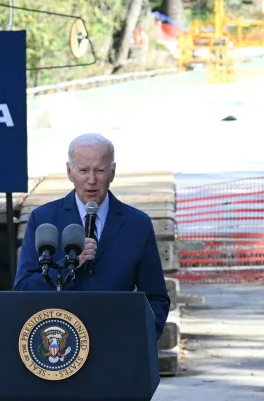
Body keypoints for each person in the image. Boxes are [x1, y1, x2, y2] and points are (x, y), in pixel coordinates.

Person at [14, 133, 170, 337]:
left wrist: (140, 341)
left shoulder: (137, 224)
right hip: (61, 345)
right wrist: (67, 264)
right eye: (83, 170)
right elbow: (23, 290)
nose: (92, 180)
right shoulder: (43, 219)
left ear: (113, 172)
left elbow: (156, 298)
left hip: (117, 342)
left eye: (100, 170)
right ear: (69, 172)